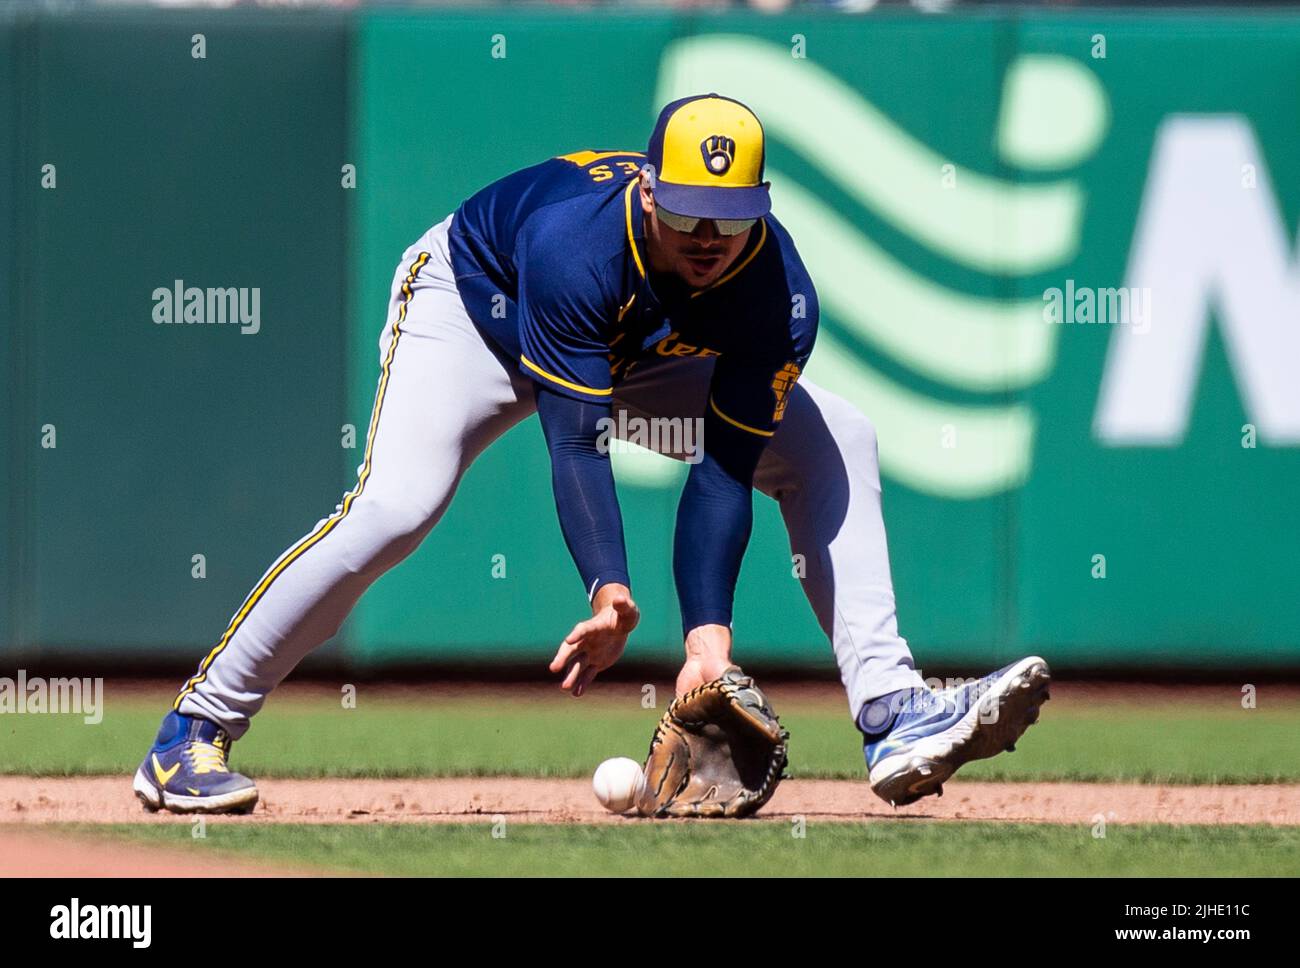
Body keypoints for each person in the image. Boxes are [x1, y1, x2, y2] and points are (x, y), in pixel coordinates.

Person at [133, 93, 1049, 816]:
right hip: (476, 304)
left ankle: (891, 714)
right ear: (647, 189)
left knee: (834, 433)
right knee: (397, 506)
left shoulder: (777, 293)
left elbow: (724, 467)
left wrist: (706, 647)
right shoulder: (579, 243)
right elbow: (576, 438)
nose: (704, 239)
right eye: (687, 212)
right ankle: (192, 732)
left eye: (727, 220)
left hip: (633, 351)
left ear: (760, 213)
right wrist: (609, 592)